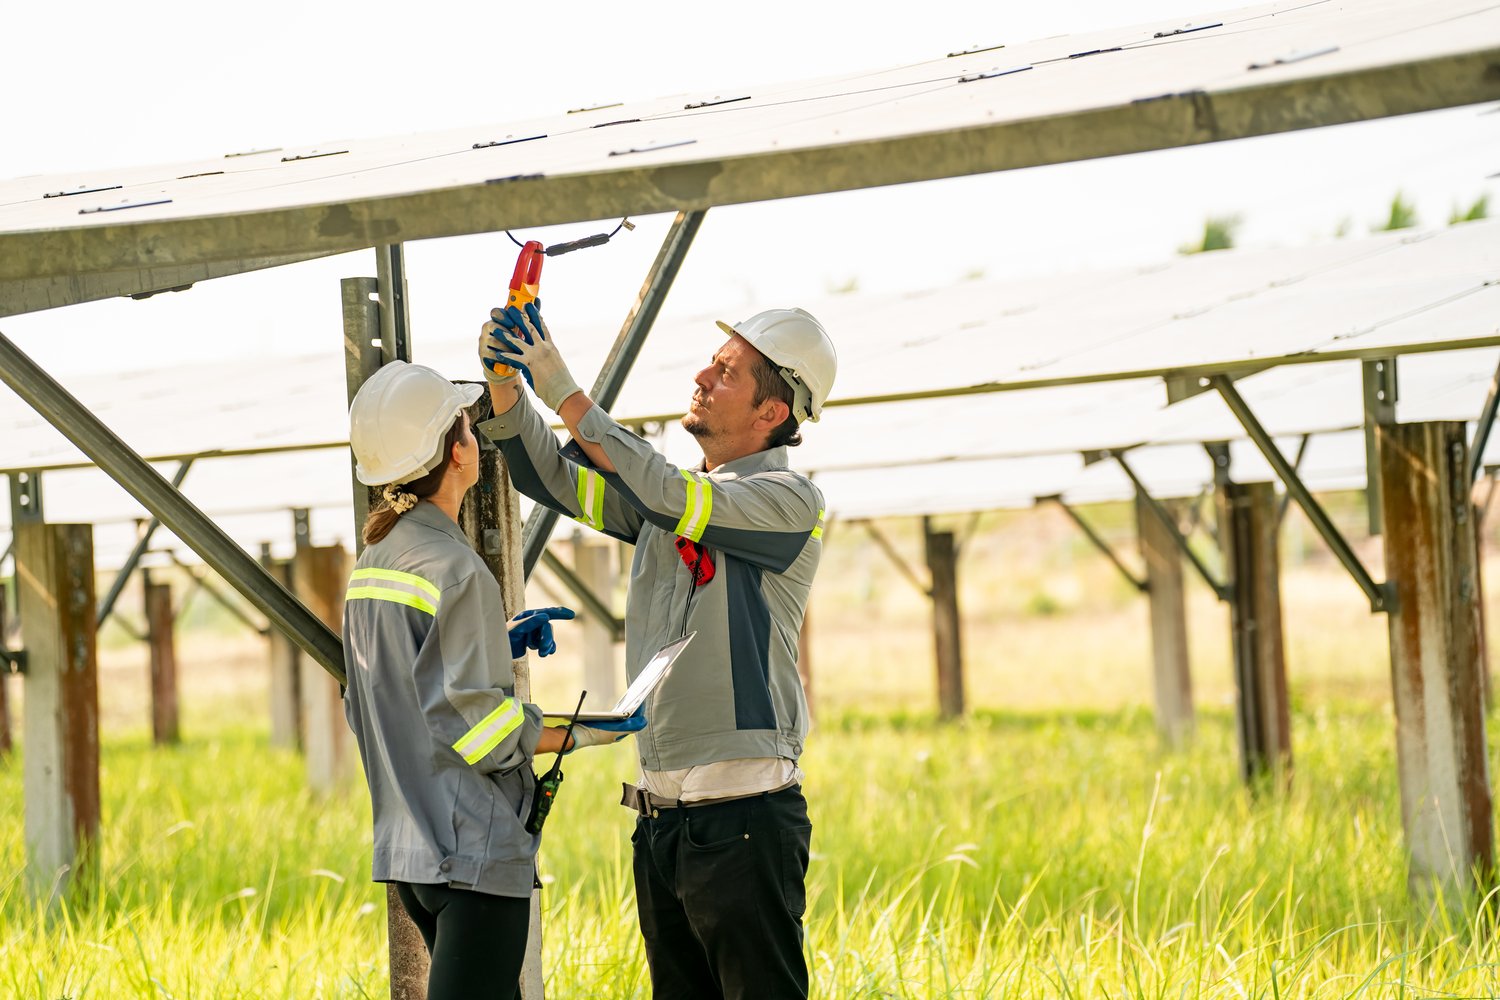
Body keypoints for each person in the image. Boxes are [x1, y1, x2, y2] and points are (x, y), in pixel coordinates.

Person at [475, 299, 837, 1000]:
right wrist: (506, 385)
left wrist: (562, 388)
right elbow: (549, 476)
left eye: (728, 372)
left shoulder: (789, 502)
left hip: (742, 821)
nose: (703, 374)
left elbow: (672, 493)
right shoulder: (667, 502)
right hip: (662, 822)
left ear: (771, 413)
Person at [341, 360, 637, 1000]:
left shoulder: (376, 563)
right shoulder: (457, 569)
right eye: (471, 430)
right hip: (473, 855)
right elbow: (485, 735)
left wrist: (491, 642)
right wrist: (587, 732)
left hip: (412, 852)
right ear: (457, 453)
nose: (477, 441)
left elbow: (384, 690)